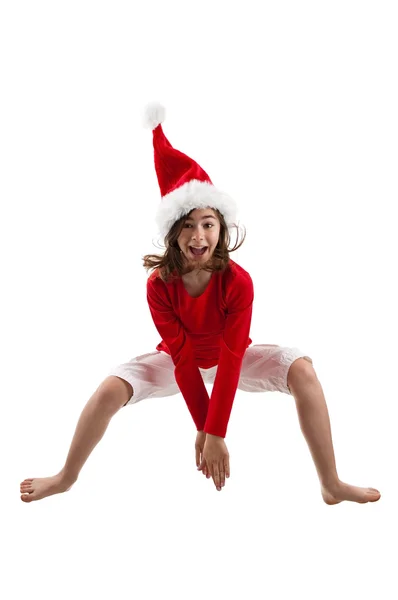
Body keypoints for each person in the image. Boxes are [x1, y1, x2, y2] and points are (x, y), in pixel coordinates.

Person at [20, 102, 381, 505]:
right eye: (188, 225)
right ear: (173, 233)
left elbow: (230, 354)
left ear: (221, 229)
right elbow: (181, 356)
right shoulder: (159, 285)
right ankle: (65, 476)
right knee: (108, 389)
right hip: (182, 363)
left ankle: (330, 482)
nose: (198, 235)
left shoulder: (238, 282)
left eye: (208, 224)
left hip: (233, 358)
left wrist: (216, 431)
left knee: (303, 370)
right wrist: (203, 424)